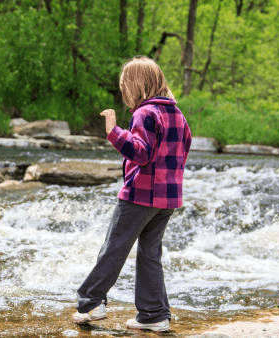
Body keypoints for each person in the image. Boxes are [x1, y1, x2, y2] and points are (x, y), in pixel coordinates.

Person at [72, 56, 192, 332]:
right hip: (167, 199)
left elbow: (140, 152)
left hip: (140, 195)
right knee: (150, 254)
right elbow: (182, 151)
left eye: (125, 84)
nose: (123, 90)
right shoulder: (178, 114)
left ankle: (90, 303)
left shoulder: (145, 113)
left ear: (136, 85)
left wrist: (114, 131)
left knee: (113, 248)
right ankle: (154, 315)